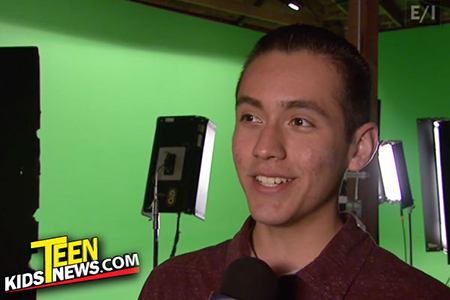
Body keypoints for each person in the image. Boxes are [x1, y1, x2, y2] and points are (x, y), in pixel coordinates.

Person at [139, 24, 450, 299]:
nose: (265, 148)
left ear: (359, 148)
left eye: (299, 121)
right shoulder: (172, 285)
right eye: (251, 117)